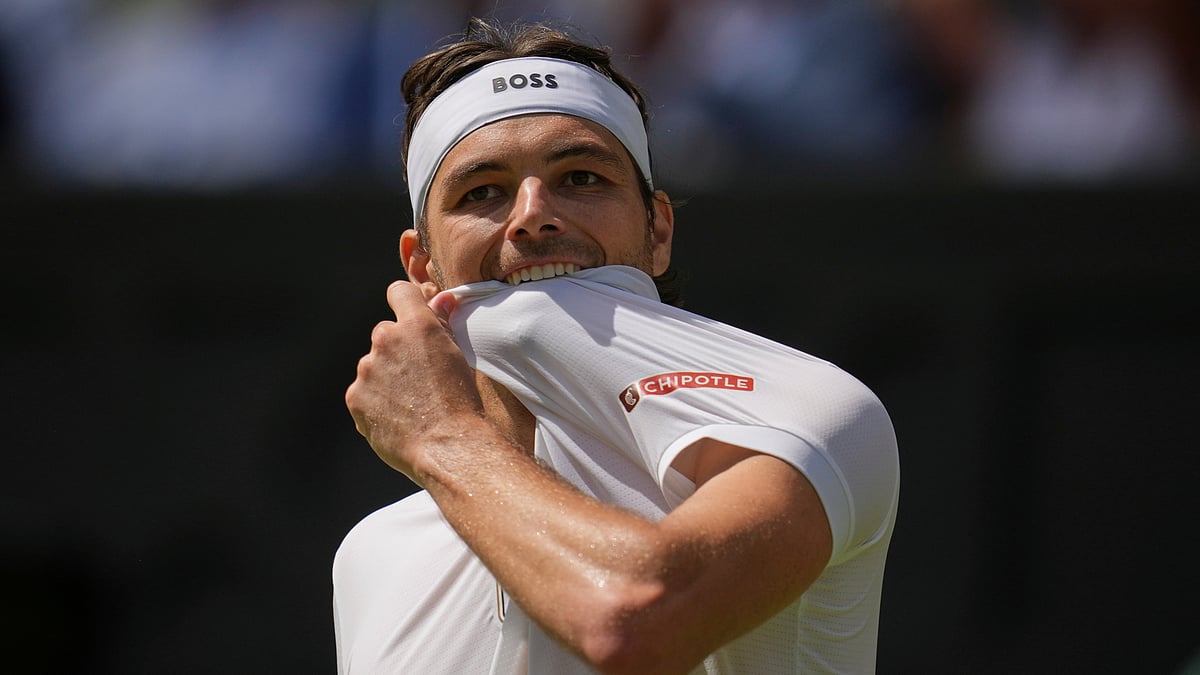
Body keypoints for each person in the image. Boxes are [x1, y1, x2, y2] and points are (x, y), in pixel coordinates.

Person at [335, 17, 900, 674]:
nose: (532, 214)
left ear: (659, 230)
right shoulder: (372, 556)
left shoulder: (815, 411)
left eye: (581, 177)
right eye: (482, 192)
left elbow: (634, 622)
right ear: (422, 267)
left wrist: (445, 440)